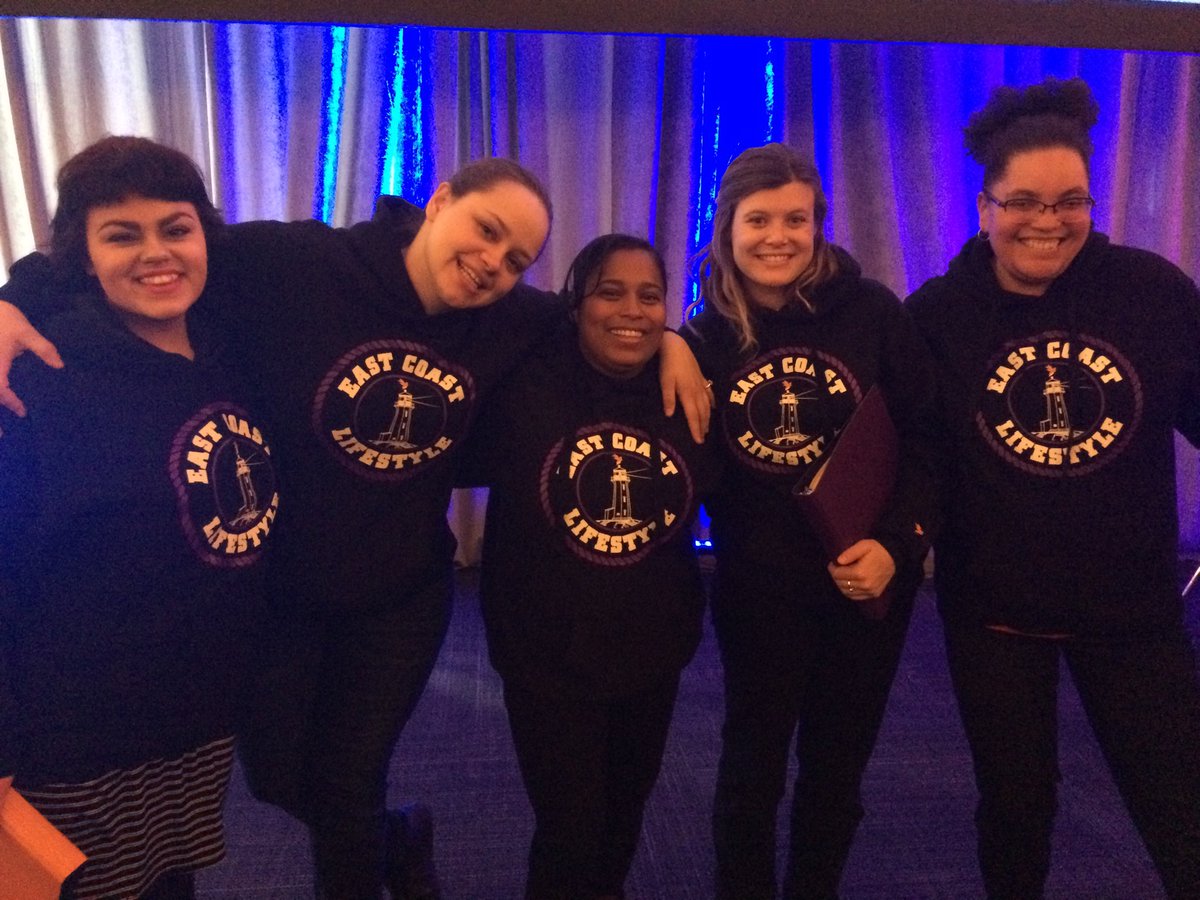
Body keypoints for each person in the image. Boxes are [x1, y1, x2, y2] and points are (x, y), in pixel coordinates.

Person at [0, 156, 710, 900]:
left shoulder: (507, 320)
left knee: (345, 784)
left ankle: (367, 847)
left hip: (398, 597)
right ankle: (394, 835)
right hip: (277, 592)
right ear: (439, 202)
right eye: (486, 230)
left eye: (516, 260)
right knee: (274, 778)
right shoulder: (302, 261)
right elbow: (155, 246)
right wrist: (14, 300)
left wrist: (677, 341)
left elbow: (602, 320)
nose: (492, 263)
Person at [906, 76, 1200, 899]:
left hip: (1132, 610)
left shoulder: (1151, 293)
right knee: (1016, 808)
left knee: (1179, 799)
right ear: (986, 206)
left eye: (1071, 200)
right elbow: (914, 454)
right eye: (1025, 201)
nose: (1048, 221)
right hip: (997, 613)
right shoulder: (939, 315)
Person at [0, 136, 280, 899]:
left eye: (175, 228)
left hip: (195, 712)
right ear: (83, 257)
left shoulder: (231, 352)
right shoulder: (43, 380)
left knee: (169, 879)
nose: (156, 253)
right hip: (78, 731)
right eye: (121, 235)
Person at [682, 142, 939, 899]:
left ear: (819, 225)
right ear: (727, 227)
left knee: (837, 767)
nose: (778, 236)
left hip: (866, 587)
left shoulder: (873, 314)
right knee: (750, 768)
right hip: (757, 593)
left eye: (796, 219)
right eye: (758, 219)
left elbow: (928, 440)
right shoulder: (702, 341)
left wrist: (900, 546)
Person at [461, 234, 717, 899]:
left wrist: (679, 344)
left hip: (650, 652)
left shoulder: (687, 398)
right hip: (547, 657)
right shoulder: (526, 379)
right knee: (569, 829)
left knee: (622, 819)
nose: (630, 310)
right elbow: (499, 305)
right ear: (575, 304)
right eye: (609, 292)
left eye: (649, 296)